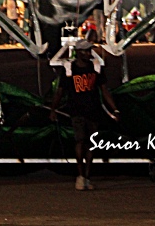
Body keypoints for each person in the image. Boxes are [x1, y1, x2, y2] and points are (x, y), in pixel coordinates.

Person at [49, 39, 120, 191]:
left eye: (89, 50)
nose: (88, 53)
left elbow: (104, 90)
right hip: (76, 110)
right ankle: (80, 175)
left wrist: (114, 109)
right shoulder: (69, 69)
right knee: (80, 140)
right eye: (85, 51)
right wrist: (53, 109)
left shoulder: (95, 68)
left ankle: (87, 176)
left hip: (93, 110)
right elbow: (60, 91)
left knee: (91, 143)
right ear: (78, 52)